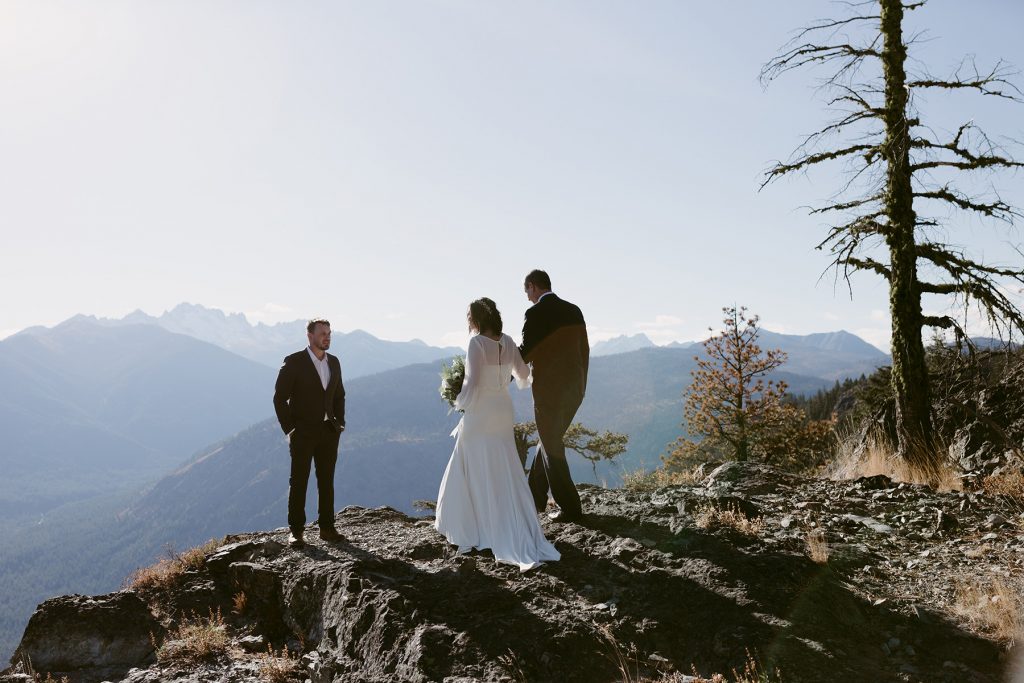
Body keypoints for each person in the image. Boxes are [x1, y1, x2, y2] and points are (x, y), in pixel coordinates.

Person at [435, 298, 560, 571]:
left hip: (482, 411)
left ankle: (477, 523)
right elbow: (525, 376)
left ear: (477, 318)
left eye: (469, 316)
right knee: (504, 463)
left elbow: (471, 383)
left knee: (473, 460)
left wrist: (458, 402)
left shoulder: (476, 343)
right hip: (503, 409)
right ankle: (510, 519)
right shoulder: (509, 341)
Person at [519, 269, 589, 523]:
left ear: (533, 286)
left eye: (526, 291)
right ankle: (533, 498)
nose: (527, 297)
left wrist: (499, 365)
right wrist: (582, 386)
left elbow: (526, 352)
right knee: (549, 440)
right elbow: (584, 351)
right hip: (574, 389)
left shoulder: (535, 313)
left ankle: (570, 507)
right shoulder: (574, 310)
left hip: (548, 392)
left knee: (551, 445)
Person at [273, 318, 346, 548]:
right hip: (303, 433)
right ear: (310, 336)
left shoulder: (334, 362)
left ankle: (327, 528)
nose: (327, 337)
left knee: (326, 481)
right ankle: (296, 531)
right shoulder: (294, 362)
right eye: (323, 333)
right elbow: (279, 398)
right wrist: (291, 429)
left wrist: (339, 423)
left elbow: (339, 395)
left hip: (328, 431)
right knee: (299, 481)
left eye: (329, 333)